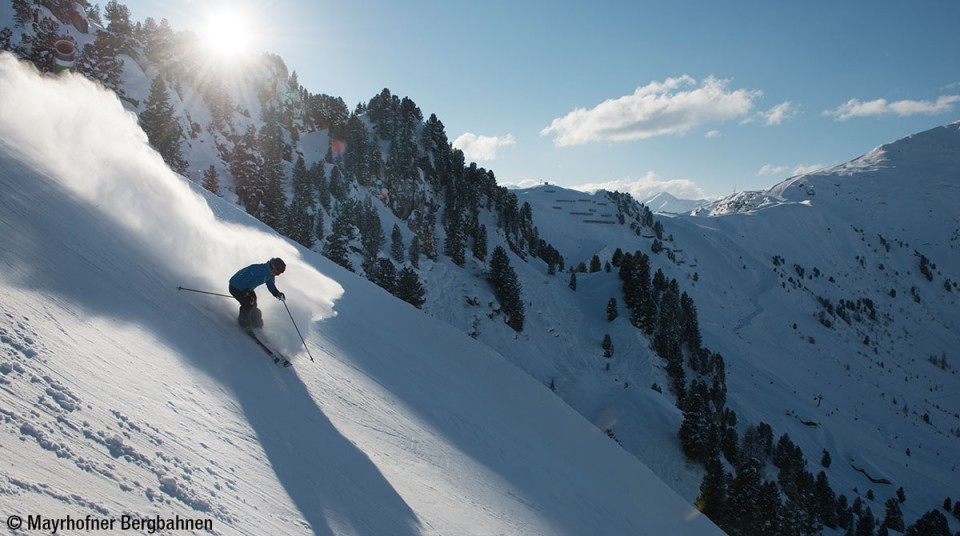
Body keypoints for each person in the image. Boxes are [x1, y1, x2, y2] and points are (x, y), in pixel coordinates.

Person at [229, 258, 286, 331]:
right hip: (235, 287)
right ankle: (243, 322)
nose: (276, 275)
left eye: (278, 274)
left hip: (247, 289)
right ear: (272, 267)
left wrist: (277, 293)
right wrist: (244, 290)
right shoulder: (257, 269)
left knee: (254, 302)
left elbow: (271, 285)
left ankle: (255, 322)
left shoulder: (270, 274)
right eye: (277, 273)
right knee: (248, 303)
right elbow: (241, 278)